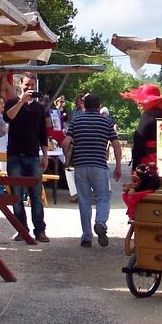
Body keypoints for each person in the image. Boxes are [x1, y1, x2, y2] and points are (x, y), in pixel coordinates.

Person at [62, 93, 122, 248]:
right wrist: (119, 165)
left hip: (80, 166)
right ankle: (100, 222)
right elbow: (116, 145)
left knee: (84, 200)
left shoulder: (76, 121)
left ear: (85, 105)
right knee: (103, 198)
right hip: (99, 165)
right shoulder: (106, 122)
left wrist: (67, 157)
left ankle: (87, 237)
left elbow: (65, 142)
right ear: (98, 105)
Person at [4, 73, 50, 242]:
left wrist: (45, 155)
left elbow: (42, 134)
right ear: (20, 85)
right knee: (16, 195)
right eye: (26, 85)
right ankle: (21, 229)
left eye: (32, 85)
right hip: (15, 155)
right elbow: (8, 117)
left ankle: (40, 230)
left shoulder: (39, 108)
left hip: (32, 157)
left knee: (36, 196)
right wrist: (21, 101)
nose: (29, 88)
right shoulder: (12, 103)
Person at [120, 84, 162, 170]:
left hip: (148, 163)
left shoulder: (148, 115)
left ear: (150, 101)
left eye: (142, 100)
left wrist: (135, 167)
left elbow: (139, 141)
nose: (139, 103)